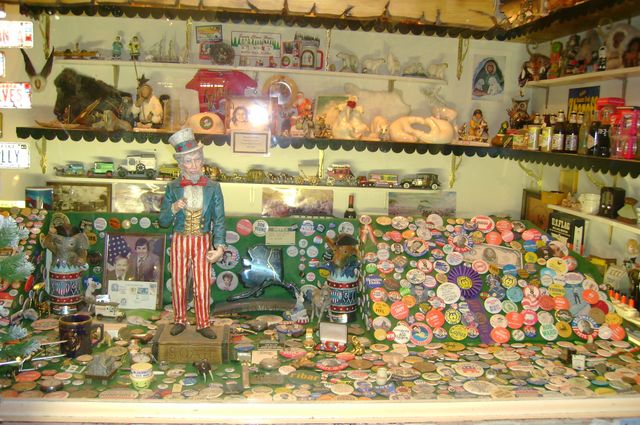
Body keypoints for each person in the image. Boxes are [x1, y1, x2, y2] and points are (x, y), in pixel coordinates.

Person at [160, 128, 225, 340]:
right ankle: (180, 319)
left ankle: (203, 322)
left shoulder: (213, 187)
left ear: (202, 161)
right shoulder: (172, 187)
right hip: (180, 239)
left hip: (202, 241)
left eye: (197, 160)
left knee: (202, 284)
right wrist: (173, 208)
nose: (194, 165)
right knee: (178, 282)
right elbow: (163, 221)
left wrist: (220, 248)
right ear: (181, 164)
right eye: (189, 161)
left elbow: (219, 220)